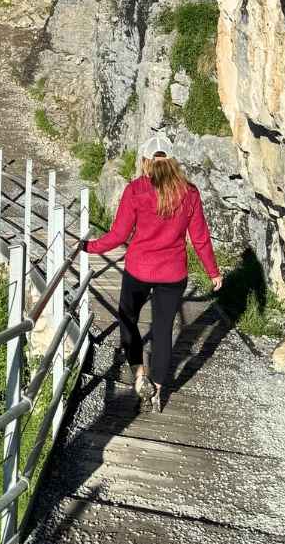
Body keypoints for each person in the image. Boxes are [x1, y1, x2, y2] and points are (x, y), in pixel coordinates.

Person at [83, 132, 223, 413]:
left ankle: (138, 373)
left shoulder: (135, 190)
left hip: (139, 270)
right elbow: (200, 238)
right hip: (172, 274)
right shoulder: (190, 193)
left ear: (146, 162)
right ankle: (158, 390)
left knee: (128, 319)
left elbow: (119, 235)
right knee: (162, 330)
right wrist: (213, 272)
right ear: (172, 162)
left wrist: (89, 247)